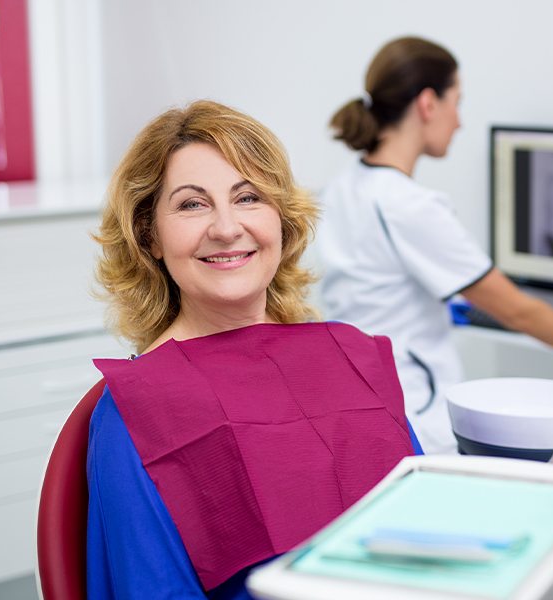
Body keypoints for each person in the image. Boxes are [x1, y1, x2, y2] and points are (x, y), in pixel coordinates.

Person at [87, 100, 421, 599]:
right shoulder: (136, 412)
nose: (225, 227)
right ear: (148, 235)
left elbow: (427, 529)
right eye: (192, 204)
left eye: (248, 198)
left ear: (282, 223)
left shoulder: (351, 359)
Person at [315, 36, 553, 454]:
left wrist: (433, 306)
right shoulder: (410, 206)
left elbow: (370, 284)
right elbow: (518, 311)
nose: (460, 121)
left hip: (364, 399)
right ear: (428, 104)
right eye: (457, 102)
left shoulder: (345, 184)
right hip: (415, 409)